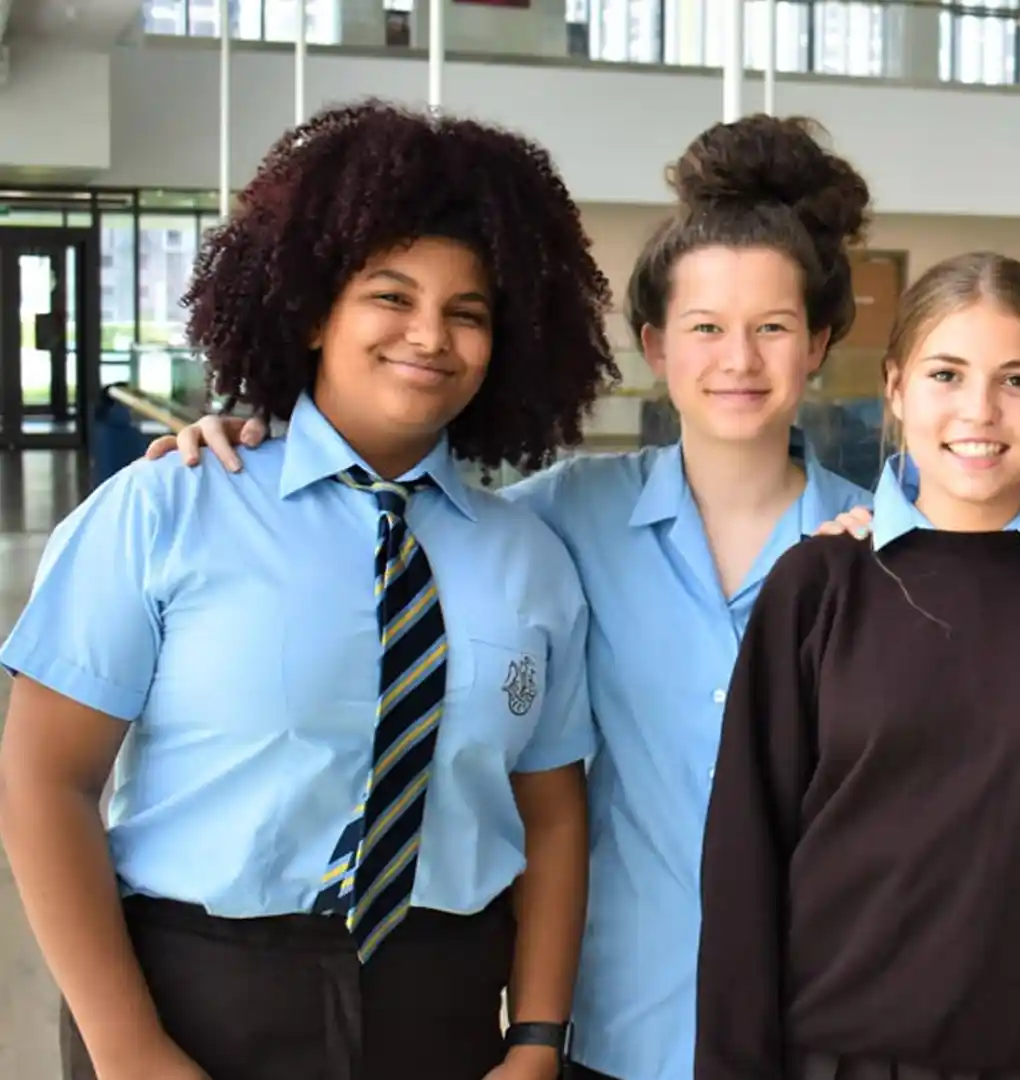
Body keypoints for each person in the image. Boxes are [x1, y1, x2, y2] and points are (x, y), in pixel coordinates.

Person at [141, 112, 877, 1080]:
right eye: (704, 328)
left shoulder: (889, 548)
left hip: (825, 1018)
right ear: (653, 343)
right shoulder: (554, 522)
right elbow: (402, 502)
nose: (738, 360)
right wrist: (262, 432)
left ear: (819, 342)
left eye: (774, 328)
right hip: (616, 1024)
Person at [0, 99, 616, 1080]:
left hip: (441, 999)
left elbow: (551, 813)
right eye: (391, 296)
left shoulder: (528, 558)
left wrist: (537, 1036)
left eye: (469, 313)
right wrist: (128, 1050)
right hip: (197, 993)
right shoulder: (171, 506)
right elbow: (44, 780)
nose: (429, 335)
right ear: (315, 308)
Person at [696, 252, 1020, 1080]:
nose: (979, 411)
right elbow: (744, 860)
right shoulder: (818, 585)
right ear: (895, 388)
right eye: (946, 374)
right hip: (848, 1060)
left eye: (1017, 380)